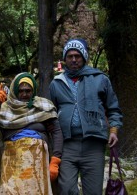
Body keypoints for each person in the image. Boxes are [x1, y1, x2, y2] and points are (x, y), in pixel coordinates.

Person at [49, 38, 123, 195]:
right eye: (70, 56)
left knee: (93, 191)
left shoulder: (100, 79)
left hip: (94, 145)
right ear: (65, 58)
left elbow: (113, 108)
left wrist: (114, 130)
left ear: (84, 57)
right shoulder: (56, 83)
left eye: (78, 55)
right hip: (67, 146)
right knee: (67, 189)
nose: (74, 59)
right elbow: (50, 113)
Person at [0, 72, 63, 194]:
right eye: (21, 91)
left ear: (33, 91)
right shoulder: (5, 108)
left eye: (28, 90)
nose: (24, 94)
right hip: (12, 161)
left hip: (38, 162)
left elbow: (57, 132)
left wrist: (55, 161)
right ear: (15, 91)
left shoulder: (43, 106)